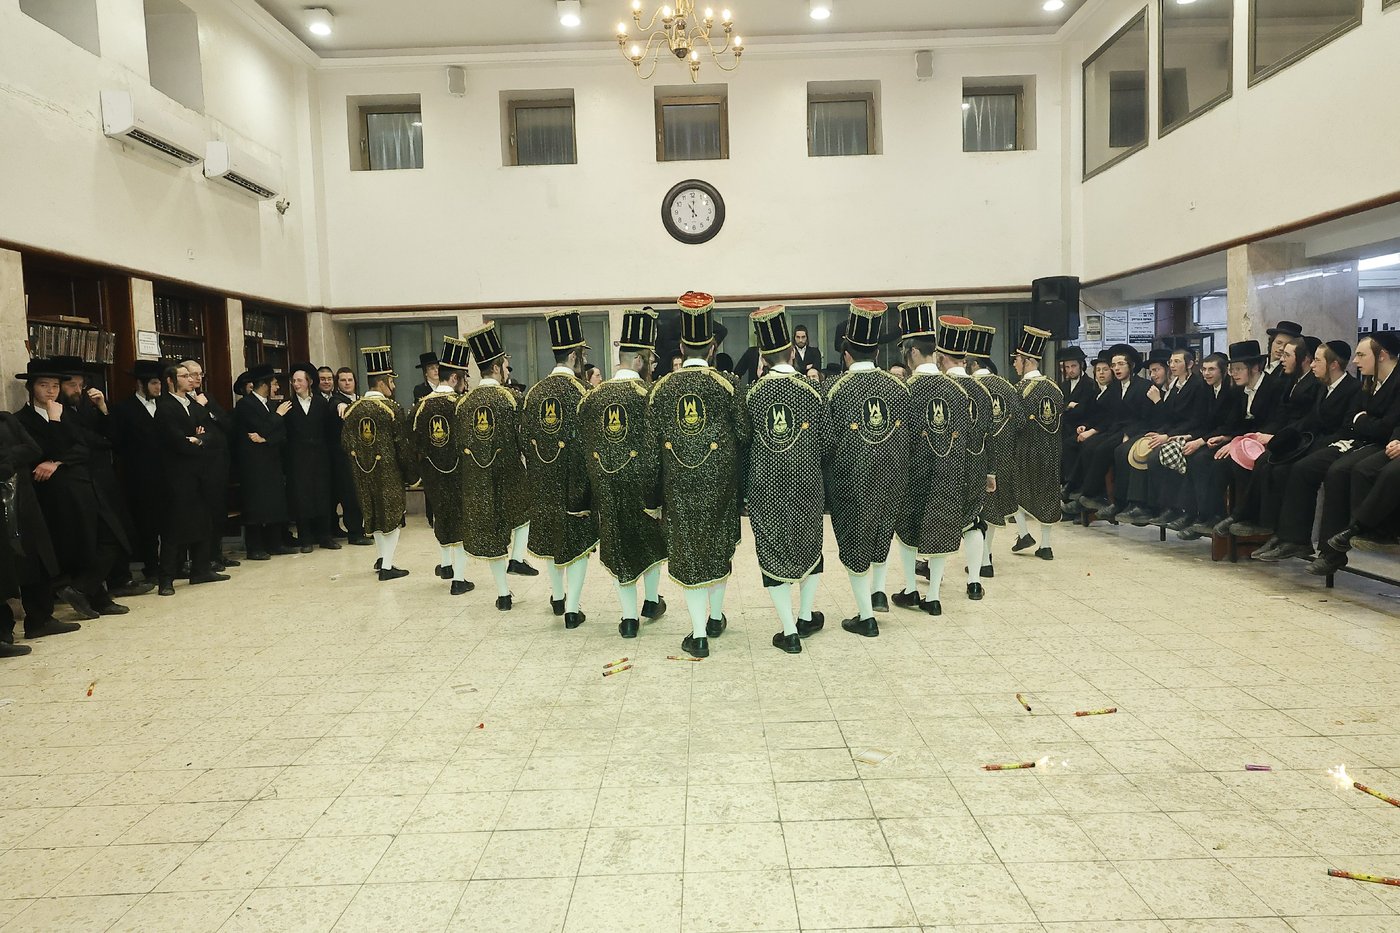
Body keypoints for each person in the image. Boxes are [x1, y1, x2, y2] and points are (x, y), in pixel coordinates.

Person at [648, 291, 750, 658]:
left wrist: (651, 498)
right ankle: (715, 617)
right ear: (711, 348)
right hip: (721, 484)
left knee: (689, 554)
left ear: (681, 347)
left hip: (677, 486)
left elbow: (651, 449)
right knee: (717, 549)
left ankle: (699, 633)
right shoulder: (729, 385)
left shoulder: (661, 389)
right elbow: (744, 435)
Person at [1257, 331, 1400, 564]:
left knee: (1340, 470)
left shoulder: (1369, 383)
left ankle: (1340, 544)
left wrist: (1363, 421)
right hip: (1366, 441)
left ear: (1381, 355)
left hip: (1369, 442)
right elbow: (1353, 419)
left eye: (1361, 355)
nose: (1355, 361)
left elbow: (1381, 425)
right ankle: (1290, 537)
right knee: (1289, 465)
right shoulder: (1370, 380)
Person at [575, 308, 669, 638]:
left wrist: (586, 493)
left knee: (618, 548)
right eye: (651, 362)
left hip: (607, 486)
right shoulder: (649, 396)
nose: (652, 368)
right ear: (640, 361)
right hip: (643, 486)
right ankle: (652, 600)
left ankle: (628, 618)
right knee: (650, 543)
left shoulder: (591, 398)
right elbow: (657, 449)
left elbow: (584, 449)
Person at [890, 308, 987, 618]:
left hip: (913, 472)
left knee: (908, 529)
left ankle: (911, 588)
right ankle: (933, 597)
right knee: (941, 527)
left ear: (912, 352)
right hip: (950, 470)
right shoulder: (958, 391)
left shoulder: (906, 390)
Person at [15, 358, 130, 618]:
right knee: (81, 545)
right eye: (44, 385)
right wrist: (54, 425)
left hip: (84, 485)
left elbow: (83, 449)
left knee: (112, 538)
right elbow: (39, 452)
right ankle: (97, 598)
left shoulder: (67, 414)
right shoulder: (21, 419)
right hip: (56, 493)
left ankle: (81, 589)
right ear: (31, 388)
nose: (51, 391)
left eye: (55, 386)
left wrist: (56, 461)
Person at [742, 306, 828, 654]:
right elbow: (827, 442)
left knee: (771, 547)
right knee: (810, 545)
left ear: (763, 357)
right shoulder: (813, 391)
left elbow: (743, 442)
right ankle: (805, 615)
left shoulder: (752, 394)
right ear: (793, 352)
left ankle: (790, 630)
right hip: (807, 483)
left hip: (765, 486)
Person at [823, 299, 910, 637]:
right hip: (893, 476)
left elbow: (827, 442)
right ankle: (878, 591)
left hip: (851, 480)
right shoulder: (898, 387)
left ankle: (865, 615)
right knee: (881, 535)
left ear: (846, 354)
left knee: (855, 542)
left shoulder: (835, 389)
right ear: (876, 353)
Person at [521, 310, 599, 630]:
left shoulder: (534, 393)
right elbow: (589, 445)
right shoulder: (582, 392)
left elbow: (524, 440)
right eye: (582, 356)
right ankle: (572, 608)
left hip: (542, 483)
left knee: (553, 542)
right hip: (575, 485)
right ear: (574, 356)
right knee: (577, 547)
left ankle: (556, 596)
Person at [57, 365, 152, 598]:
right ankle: (89, 588)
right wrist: (101, 440)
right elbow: (88, 441)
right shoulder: (60, 411)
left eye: (81, 385)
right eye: (72, 385)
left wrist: (103, 409)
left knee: (120, 528)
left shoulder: (86, 408)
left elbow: (113, 438)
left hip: (104, 476)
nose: (77, 390)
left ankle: (120, 579)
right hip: (82, 478)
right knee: (103, 535)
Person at [459, 324, 532, 609]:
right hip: (510, 474)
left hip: (477, 479)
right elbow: (523, 438)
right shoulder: (510, 398)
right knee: (524, 516)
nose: (507, 371)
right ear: (496, 367)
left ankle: (503, 594)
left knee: (492, 535)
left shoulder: (464, 403)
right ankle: (517, 557)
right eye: (505, 366)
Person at [0, 401, 81, 641]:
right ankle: (4, 632)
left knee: (37, 558)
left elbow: (33, 449)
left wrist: (7, 458)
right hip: (5, 502)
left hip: (24, 500)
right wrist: (12, 457)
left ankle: (40, 619)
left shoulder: (6, 419)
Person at [151, 362, 231, 596]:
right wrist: (196, 440)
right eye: (184, 376)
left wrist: (198, 439)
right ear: (170, 381)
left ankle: (201, 570)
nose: (190, 379)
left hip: (201, 474)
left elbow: (213, 435)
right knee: (174, 526)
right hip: (176, 476)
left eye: (190, 375)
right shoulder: (165, 408)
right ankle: (166, 579)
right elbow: (177, 442)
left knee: (204, 521)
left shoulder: (194, 405)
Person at [341, 347, 417, 580]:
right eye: (391, 382)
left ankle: (382, 559)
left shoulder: (352, 410)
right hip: (388, 472)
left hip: (363, 472)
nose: (393, 387)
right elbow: (402, 446)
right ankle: (387, 567)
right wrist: (412, 475)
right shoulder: (391, 409)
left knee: (373, 515)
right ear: (382, 383)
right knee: (392, 518)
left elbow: (345, 443)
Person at [411, 336, 474, 595]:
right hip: (459, 473)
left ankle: (446, 564)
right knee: (461, 523)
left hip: (432, 474)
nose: (465, 383)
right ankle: (459, 579)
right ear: (455, 378)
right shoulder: (461, 406)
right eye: (464, 378)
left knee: (441, 516)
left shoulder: (420, 407)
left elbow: (415, 443)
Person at [1000, 326, 1064, 560]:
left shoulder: (1019, 390)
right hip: (1052, 449)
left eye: (1016, 359)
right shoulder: (1055, 388)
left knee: (1012, 489)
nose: (1014, 364)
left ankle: (1024, 533)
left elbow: (1015, 424)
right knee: (1048, 494)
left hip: (1025, 450)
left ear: (1027, 360)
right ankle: (1046, 546)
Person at [966, 324, 1021, 576]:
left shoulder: (968, 388)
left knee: (976, 512)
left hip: (976, 456)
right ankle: (986, 556)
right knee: (994, 510)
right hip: (1003, 457)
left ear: (974, 364)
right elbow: (1020, 421)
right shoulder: (1007, 387)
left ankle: (981, 561)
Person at [107, 359, 166, 584]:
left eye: (160, 383)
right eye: (154, 383)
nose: (158, 387)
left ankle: (172, 564)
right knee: (146, 523)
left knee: (168, 521)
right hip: (140, 476)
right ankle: (151, 567)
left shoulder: (165, 405)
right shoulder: (124, 409)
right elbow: (117, 443)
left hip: (167, 473)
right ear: (140, 384)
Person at [181, 358, 238, 571]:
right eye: (192, 374)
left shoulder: (207, 396)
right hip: (199, 464)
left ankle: (216, 553)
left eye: (200, 374)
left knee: (218, 510)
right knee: (202, 513)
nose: (197, 378)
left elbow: (227, 423)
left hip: (218, 461)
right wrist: (198, 407)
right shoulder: (182, 401)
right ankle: (202, 559)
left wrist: (209, 411)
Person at [233, 365, 292, 559]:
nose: (277, 387)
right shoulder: (245, 404)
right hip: (253, 464)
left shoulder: (271, 405)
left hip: (272, 459)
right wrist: (277, 416)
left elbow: (281, 434)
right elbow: (260, 427)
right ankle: (255, 547)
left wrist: (266, 439)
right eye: (274, 383)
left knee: (275, 502)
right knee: (255, 505)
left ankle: (275, 543)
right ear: (264, 384)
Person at [284, 363, 340, 552]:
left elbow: (329, 430)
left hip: (320, 456)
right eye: (293, 381)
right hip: (298, 459)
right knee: (302, 498)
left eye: (299, 380)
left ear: (309, 382)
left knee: (323, 496)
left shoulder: (321, 403)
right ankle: (306, 538)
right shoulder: (288, 405)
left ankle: (325, 536)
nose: (296, 384)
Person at [329, 367, 371, 545]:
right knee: (351, 495)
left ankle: (365, 528)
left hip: (363, 457)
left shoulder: (360, 399)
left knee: (363, 494)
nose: (347, 383)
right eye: (343, 380)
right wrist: (340, 406)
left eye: (350, 380)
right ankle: (354, 533)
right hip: (345, 457)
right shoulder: (336, 400)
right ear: (337, 383)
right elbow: (336, 406)